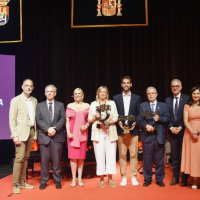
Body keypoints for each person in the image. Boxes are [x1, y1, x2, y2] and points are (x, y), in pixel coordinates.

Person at [137, 87, 170, 187]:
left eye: (153, 93)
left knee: (160, 159)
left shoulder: (163, 105)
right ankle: (148, 178)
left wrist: (160, 118)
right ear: (147, 95)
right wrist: (145, 126)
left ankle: (159, 179)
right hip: (147, 136)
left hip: (159, 135)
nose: (151, 95)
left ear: (157, 94)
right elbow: (139, 119)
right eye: (149, 94)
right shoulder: (143, 106)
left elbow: (168, 118)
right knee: (147, 159)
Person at [9, 79, 37, 194]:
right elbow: (12, 119)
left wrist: (35, 133)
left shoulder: (34, 100)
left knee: (26, 158)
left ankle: (22, 181)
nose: (29, 87)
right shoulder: (16, 100)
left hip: (31, 131)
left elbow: (34, 119)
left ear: (33, 88)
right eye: (26, 85)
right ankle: (15, 183)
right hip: (20, 134)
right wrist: (15, 135)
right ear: (22, 87)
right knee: (19, 158)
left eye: (31, 86)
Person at [36, 84, 66, 190]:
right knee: (44, 161)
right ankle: (43, 180)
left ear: (55, 93)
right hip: (44, 137)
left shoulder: (60, 105)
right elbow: (38, 119)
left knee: (57, 161)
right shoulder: (39, 106)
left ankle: (57, 180)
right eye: (47, 91)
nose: (49, 93)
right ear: (45, 93)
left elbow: (63, 118)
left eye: (51, 91)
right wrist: (48, 129)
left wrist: (55, 128)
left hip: (57, 136)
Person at [88, 86, 118, 188]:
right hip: (98, 131)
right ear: (98, 94)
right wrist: (94, 117)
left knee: (111, 155)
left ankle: (110, 178)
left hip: (110, 131)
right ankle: (101, 179)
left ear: (107, 94)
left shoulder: (112, 103)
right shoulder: (93, 104)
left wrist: (109, 121)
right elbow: (89, 118)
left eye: (104, 92)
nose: (102, 94)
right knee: (99, 155)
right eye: (101, 92)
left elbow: (116, 116)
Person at [113, 76, 141, 186]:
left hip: (133, 130)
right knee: (122, 155)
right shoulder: (116, 98)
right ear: (121, 85)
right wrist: (117, 122)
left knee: (134, 155)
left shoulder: (136, 98)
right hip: (121, 130)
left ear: (131, 84)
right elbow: (114, 113)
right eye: (124, 83)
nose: (126, 84)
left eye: (128, 83)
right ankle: (123, 177)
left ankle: (133, 176)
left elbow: (139, 113)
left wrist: (136, 122)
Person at [165, 79, 189, 186]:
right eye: (173, 86)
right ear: (171, 87)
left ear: (181, 86)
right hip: (172, 131)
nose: (175, 88)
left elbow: (189, 115)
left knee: (184, 154)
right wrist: (171, 127)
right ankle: (175, 177)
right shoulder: (167, 100)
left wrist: (180, 126)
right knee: (174, 155)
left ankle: (184, 178)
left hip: (184, 131)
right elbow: (166, 116)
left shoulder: (187, 98)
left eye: (177, 86)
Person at [66, 88, 90, 187]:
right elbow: (67, 121)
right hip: (72, 134)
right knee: (73, 157)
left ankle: (80, 179)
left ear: (83, 94)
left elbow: (90, 119)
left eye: (79, 93)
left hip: (83, 133)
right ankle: (73, 179)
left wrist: (86, 126)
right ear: (73, 95)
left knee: (81, 157)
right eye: (75, 93)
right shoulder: (70, 106)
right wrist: (68, 132)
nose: (77, 95)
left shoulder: (87, 105)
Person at [181, 86, 200, 190]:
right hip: (190, 134)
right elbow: (185, 121)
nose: (196, 95)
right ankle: (195, 180)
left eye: (198, 93)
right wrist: (192, 131)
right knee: (193, 157)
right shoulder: (187, 106)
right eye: (194, 93)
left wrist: (198, 131)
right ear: (191, 95)